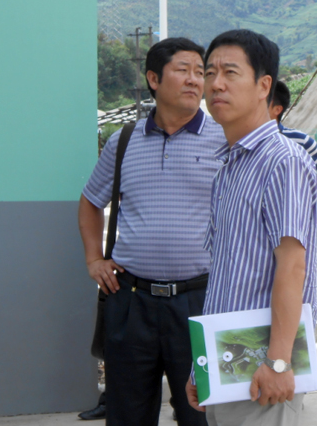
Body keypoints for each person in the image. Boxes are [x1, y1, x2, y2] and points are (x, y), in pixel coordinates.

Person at [79, 37, 224, 426]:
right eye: (183, 70)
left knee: (201, 416)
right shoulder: (124, 141)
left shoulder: (224, 140)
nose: (195, 80)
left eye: (201, 72)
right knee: (128, 414)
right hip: (131, 301)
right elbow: (91, 201)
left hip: (200, 301)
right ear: (154, 79)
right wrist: (94, 259)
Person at [184, 29, 317, 425]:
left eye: (230, 72)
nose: (215, 84)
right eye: (209, 73)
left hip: (265, 372)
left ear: (263, 86)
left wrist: (278, 361)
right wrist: (203, 365)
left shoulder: (283, 160)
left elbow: (292, 266)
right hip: (229, 366)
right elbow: (228, 278)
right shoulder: (230, 165)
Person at [269, 80, 317, 187]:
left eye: (262, 103)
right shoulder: (246, 139)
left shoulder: (298, 139)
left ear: (277, 109)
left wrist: (306, 190)